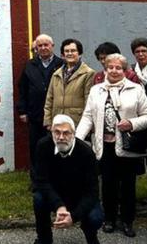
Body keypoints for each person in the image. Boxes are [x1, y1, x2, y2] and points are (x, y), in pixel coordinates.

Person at [77, 53, 147, 237]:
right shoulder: (97, 90)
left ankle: (127, 221)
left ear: (125, 70)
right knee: (107, 184)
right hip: (104, 145)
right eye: (110, 67)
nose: (114, 71)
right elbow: (88, 116)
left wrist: (132, 124)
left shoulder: (135, 89)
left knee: (128, 185)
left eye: (118, 68)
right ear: (105, 69)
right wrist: (77, 140)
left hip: (127, 146)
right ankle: (109, 219)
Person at [32, 114, 103, 244]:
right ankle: (44, 238)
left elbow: (92, 192)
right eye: (57, 132)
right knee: (38, 199)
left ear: (73, 134)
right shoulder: (43, 146)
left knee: (95, 217)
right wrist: (59, 206)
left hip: (79, 197)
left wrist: (74, 217)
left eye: (66, 133)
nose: (61, 137)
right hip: (55, 195)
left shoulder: (86, 153)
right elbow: (40, 181)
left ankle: (91, 236)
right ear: (51, 132)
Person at [18, 34, 64, 164]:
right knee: (36, 146)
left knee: (56, 145)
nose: (43, 48)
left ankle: (55, 178)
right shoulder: (29, 65)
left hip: (56, 113)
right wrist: (22, 111)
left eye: (46, 45)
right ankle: (37, 179)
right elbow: (23, 89)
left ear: (52, 46)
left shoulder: (61, 64)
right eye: (40, 45)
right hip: (35, 114)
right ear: (36, 48)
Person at [43, 39, 95, 128]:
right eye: (66, 51)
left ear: (80, 53)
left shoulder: (88, 73)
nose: (69, 53)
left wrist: (87, 124)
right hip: (57, 122)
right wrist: (48, 122)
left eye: (73, 51)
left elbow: (89, 102)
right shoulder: (56, 74)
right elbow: (49, 100)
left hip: (77, 123)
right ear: (63, 55)